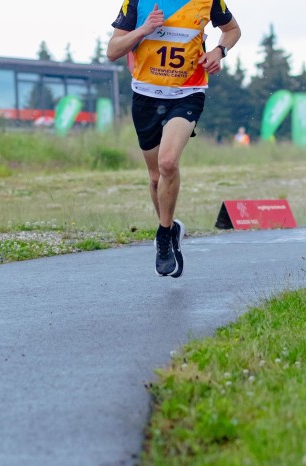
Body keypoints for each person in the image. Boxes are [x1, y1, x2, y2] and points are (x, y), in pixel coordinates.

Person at [107, 1, 241, 278]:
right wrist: (143, 30)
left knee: (168, 163)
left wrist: (219, 50)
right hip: (145, 95)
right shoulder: (137, 3)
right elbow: (113, 51)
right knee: (156, 177)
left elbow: (232, 30)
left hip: (188, 93)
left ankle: (164, 236)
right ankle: (170, 227)